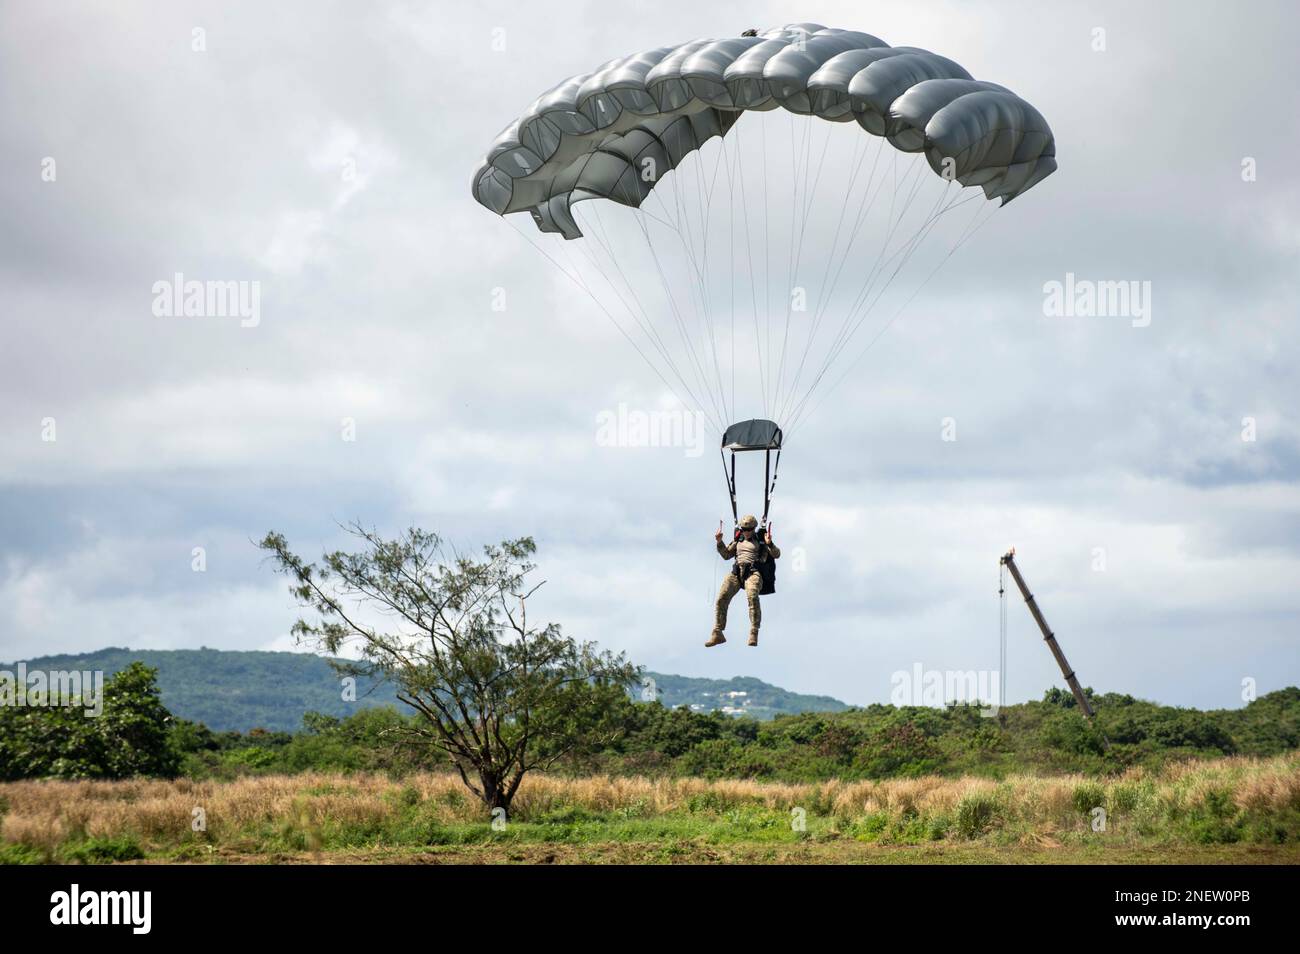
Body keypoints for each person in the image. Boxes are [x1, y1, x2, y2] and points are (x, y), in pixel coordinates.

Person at [708, 514, 780, 647]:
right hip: (736, 573)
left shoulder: (760, 541)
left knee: (752, 597)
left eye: (748, 530)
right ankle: (717, 633)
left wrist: (770, 543)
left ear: (753, 529)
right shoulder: (738, 539)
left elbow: (776, 554)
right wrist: (719, 542)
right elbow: (726, 555)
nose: (745, 532)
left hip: (753, 573)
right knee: (721, 598)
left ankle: (754, 632)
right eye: (743, 529)